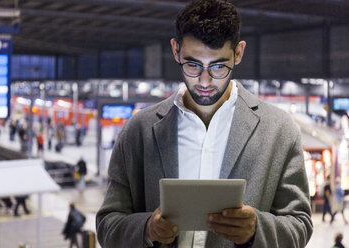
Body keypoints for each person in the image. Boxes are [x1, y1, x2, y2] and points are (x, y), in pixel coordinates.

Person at [96, 0, 313, 247]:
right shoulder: (139, 131)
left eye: (219, 66)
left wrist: (256, 230)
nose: (205, 80)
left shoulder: (278, 131)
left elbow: (300, 224)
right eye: (192, 65)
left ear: (238, 53)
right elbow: (107, 225)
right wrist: (147, 229)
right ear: (176, 50)